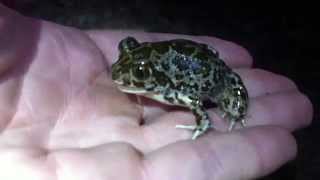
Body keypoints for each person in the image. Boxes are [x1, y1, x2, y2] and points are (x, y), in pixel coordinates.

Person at [0, 4, 313, 180]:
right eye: (126, 55)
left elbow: (196, 103)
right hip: (181, 57)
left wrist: (204, 123)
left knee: (236, 95)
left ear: (158, 81)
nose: (123, 72)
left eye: (138, 73)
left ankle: (237, 112)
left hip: (212, 75)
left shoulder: (178, 94)